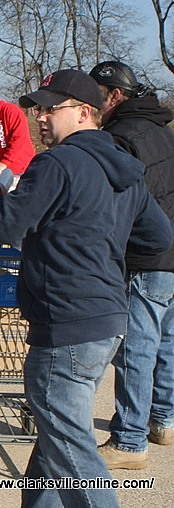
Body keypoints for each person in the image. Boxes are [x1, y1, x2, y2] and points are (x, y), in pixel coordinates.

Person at [0, 69, 173, 508]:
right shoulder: (124, 167)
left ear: (85, 112)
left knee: (70, 448)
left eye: (51, 109)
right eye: (37, 109)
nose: (40, 118)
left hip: (66, 321)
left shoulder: (57, 163)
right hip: (107, 320)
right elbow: (158, 238)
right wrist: (104, 244)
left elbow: (7, 224)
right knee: (57, 435)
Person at [87, 61, 174, 470]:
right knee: (165, 340)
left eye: (95, 97)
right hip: (168, 254)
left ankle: (130, 439)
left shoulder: (122, 136)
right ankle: (163, 420)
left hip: (145, 255)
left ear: (115, 96)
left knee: (136, 346)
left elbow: (115, 201)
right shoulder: (161, 129)